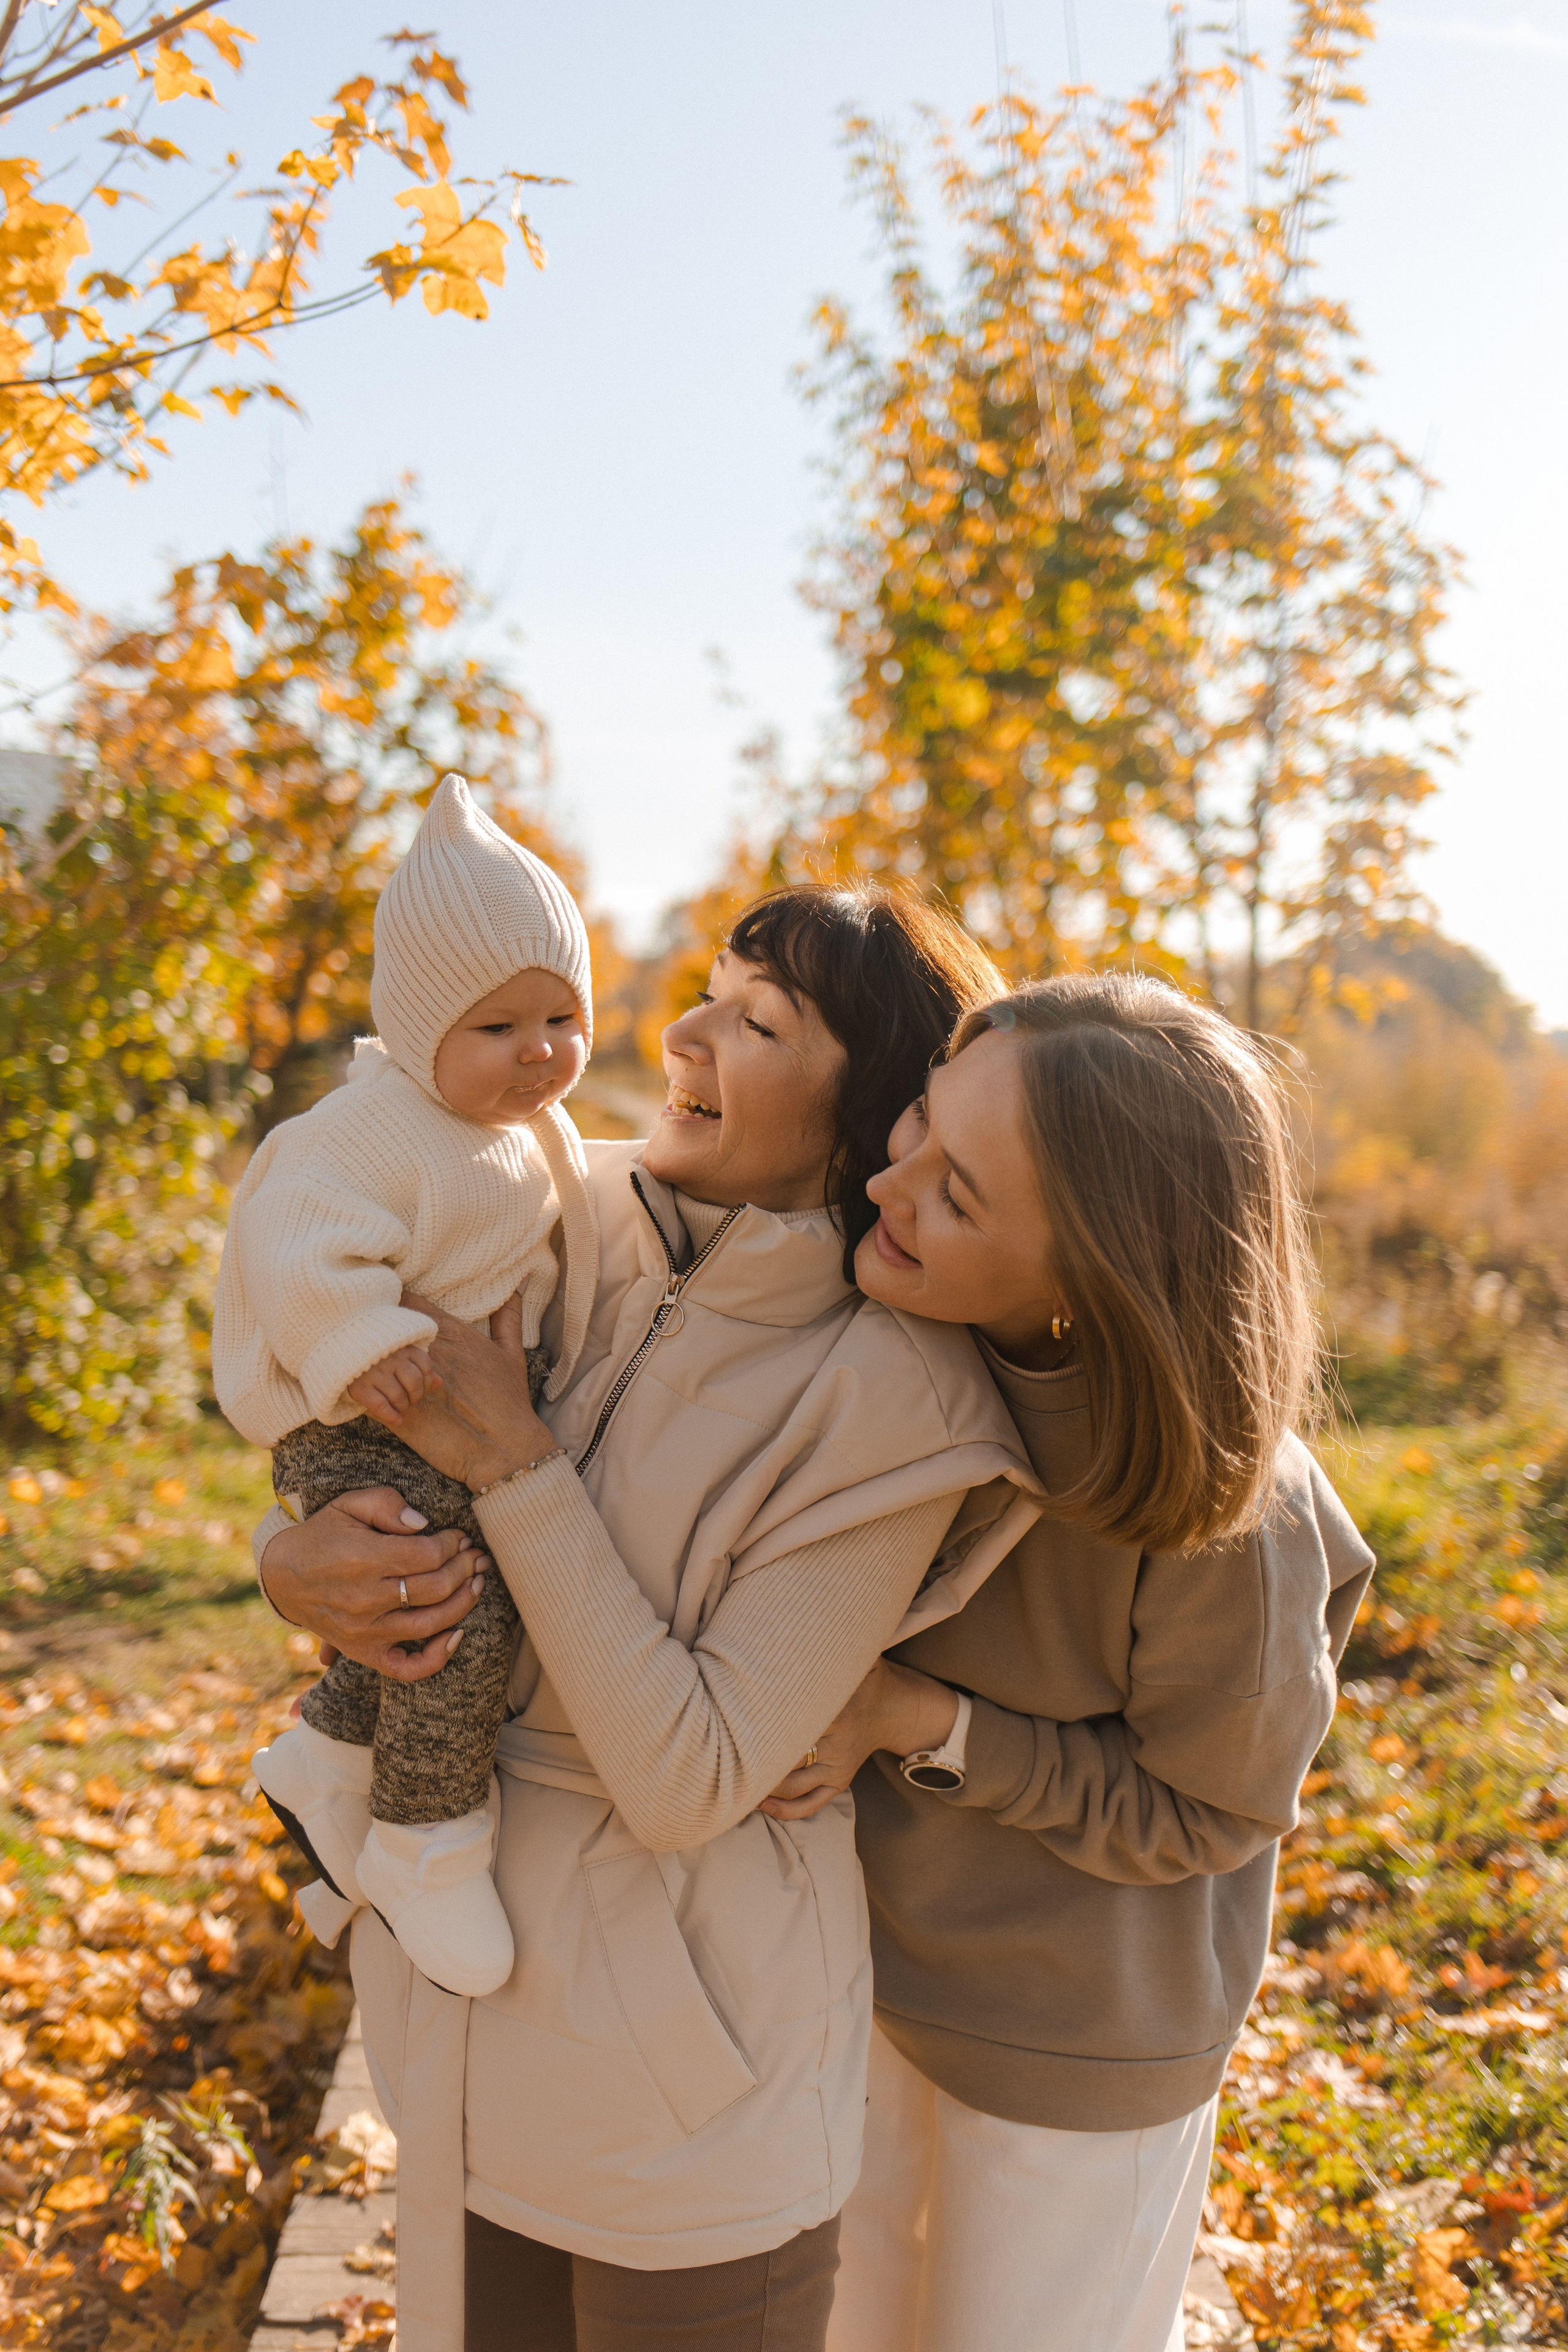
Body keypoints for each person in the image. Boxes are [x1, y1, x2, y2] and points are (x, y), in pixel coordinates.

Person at [251, 887, 1043, 2352]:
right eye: (705, 990)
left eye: (755, 1023)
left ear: (864, 1106)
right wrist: (289, 1560)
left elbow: (693, 1778)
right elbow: (335, 1400)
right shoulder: (545, 1212)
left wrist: (516, 1465)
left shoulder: (896, 1397)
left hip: (694, 2099)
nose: (680, 1032)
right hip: (467, 2025)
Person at [758, 974, 1376, 2352]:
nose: (885, 1185)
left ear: (1093, 1275)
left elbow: (1209, 1811)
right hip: (857, 1991)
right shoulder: (894, 1345)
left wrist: (919, 1718)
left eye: (957, 1193)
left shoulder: (1230, 1514)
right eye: (914, 1125)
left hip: (1073, 2059)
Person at [214, 775, 599, 1999]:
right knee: (448, 1606)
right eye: (496, 1029)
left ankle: (327, 1758)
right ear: (421, 1026)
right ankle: (428, 1838)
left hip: (443, 1421)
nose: (539, 1052)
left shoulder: (525, 1129)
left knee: (467, 1584)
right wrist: (359, 1332)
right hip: (359, 1422)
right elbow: (291, 1234)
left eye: (560, 1017)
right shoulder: (369, 1128)